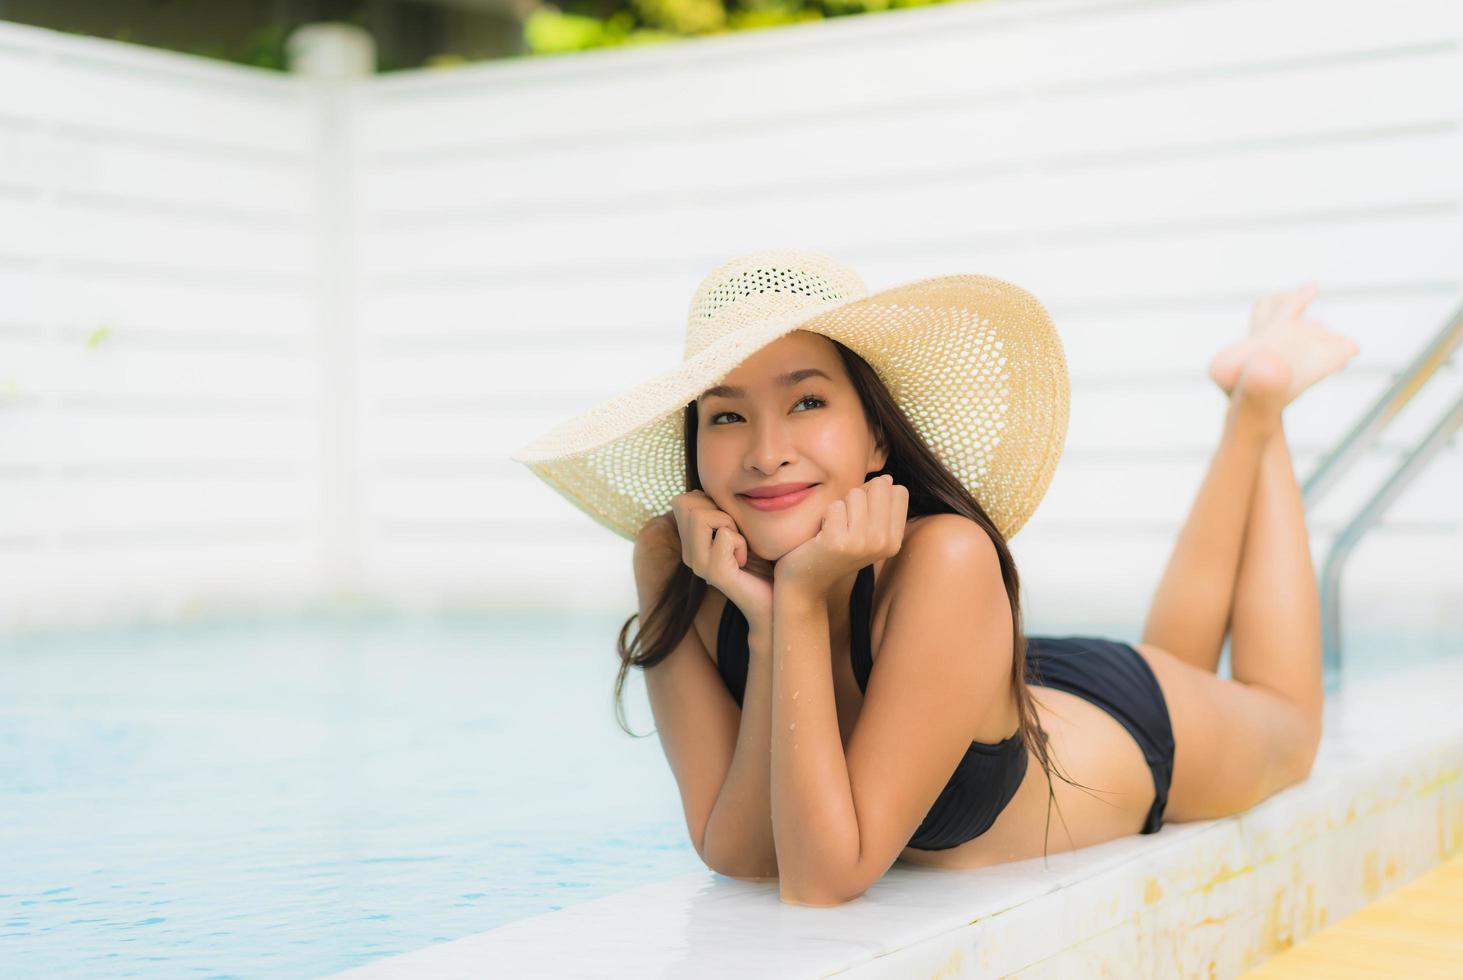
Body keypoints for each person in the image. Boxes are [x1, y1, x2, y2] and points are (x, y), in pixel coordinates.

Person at [510, 249, 1360, 908]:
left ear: (877, 438)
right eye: (727, 415)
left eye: (807, 401)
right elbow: (740, 854)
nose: (765, 451)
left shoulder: (947, 557)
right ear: (694, 445)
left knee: (1286, 724)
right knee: (1167, 650)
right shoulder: (680, 564)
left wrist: (800, 604)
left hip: (1126, 731)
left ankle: (1260, 409)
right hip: (969, 678)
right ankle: (1252, 401)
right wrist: (766, 619)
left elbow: (822, 882)